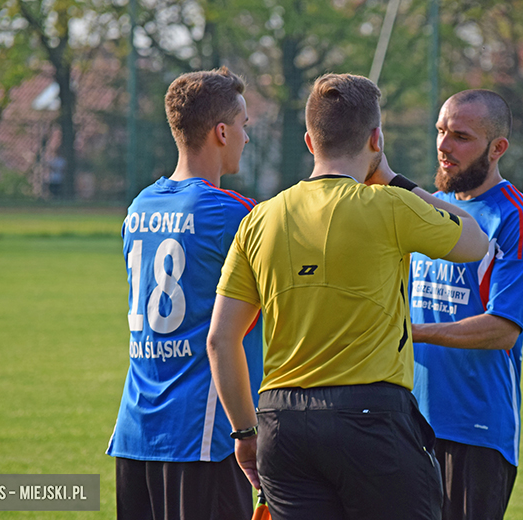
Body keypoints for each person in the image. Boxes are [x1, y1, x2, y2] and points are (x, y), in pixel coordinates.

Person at [206, 73, 490, 520]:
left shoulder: (259, 219)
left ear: (309, 141)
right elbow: (475, 240)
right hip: (370, 418)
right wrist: (392, 178)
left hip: (282, 423)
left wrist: (244, 433)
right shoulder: (391, 205)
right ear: (376, 139)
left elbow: (221, 340)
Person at [106, 67, 263, 520]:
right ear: (221, 132)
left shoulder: (139, 207)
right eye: (243, 126)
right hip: (203, 436)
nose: (246, 138)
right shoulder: (232, 214)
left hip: (135, 433)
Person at [408, 89, 523, 520]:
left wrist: (410, 333)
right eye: (440, 131)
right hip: (408, 421)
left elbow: (502, 328)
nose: (444, 145)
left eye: (461, 136)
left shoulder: (516, 218)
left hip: (475, 428)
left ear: (497, 147)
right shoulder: (431, 211)